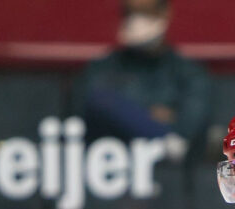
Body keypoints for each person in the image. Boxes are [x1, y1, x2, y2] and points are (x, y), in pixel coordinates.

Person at [79, 0, 211, 160]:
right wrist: (149, 116)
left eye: (145, 12)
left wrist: (132, 112)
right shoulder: (102, 68)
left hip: (168, 168)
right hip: (110, 162)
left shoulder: (189, 73)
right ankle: (163, 141)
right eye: (130, 13)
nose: (137, 20)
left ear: (165, 12)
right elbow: (86, 111)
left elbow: (189, 126)